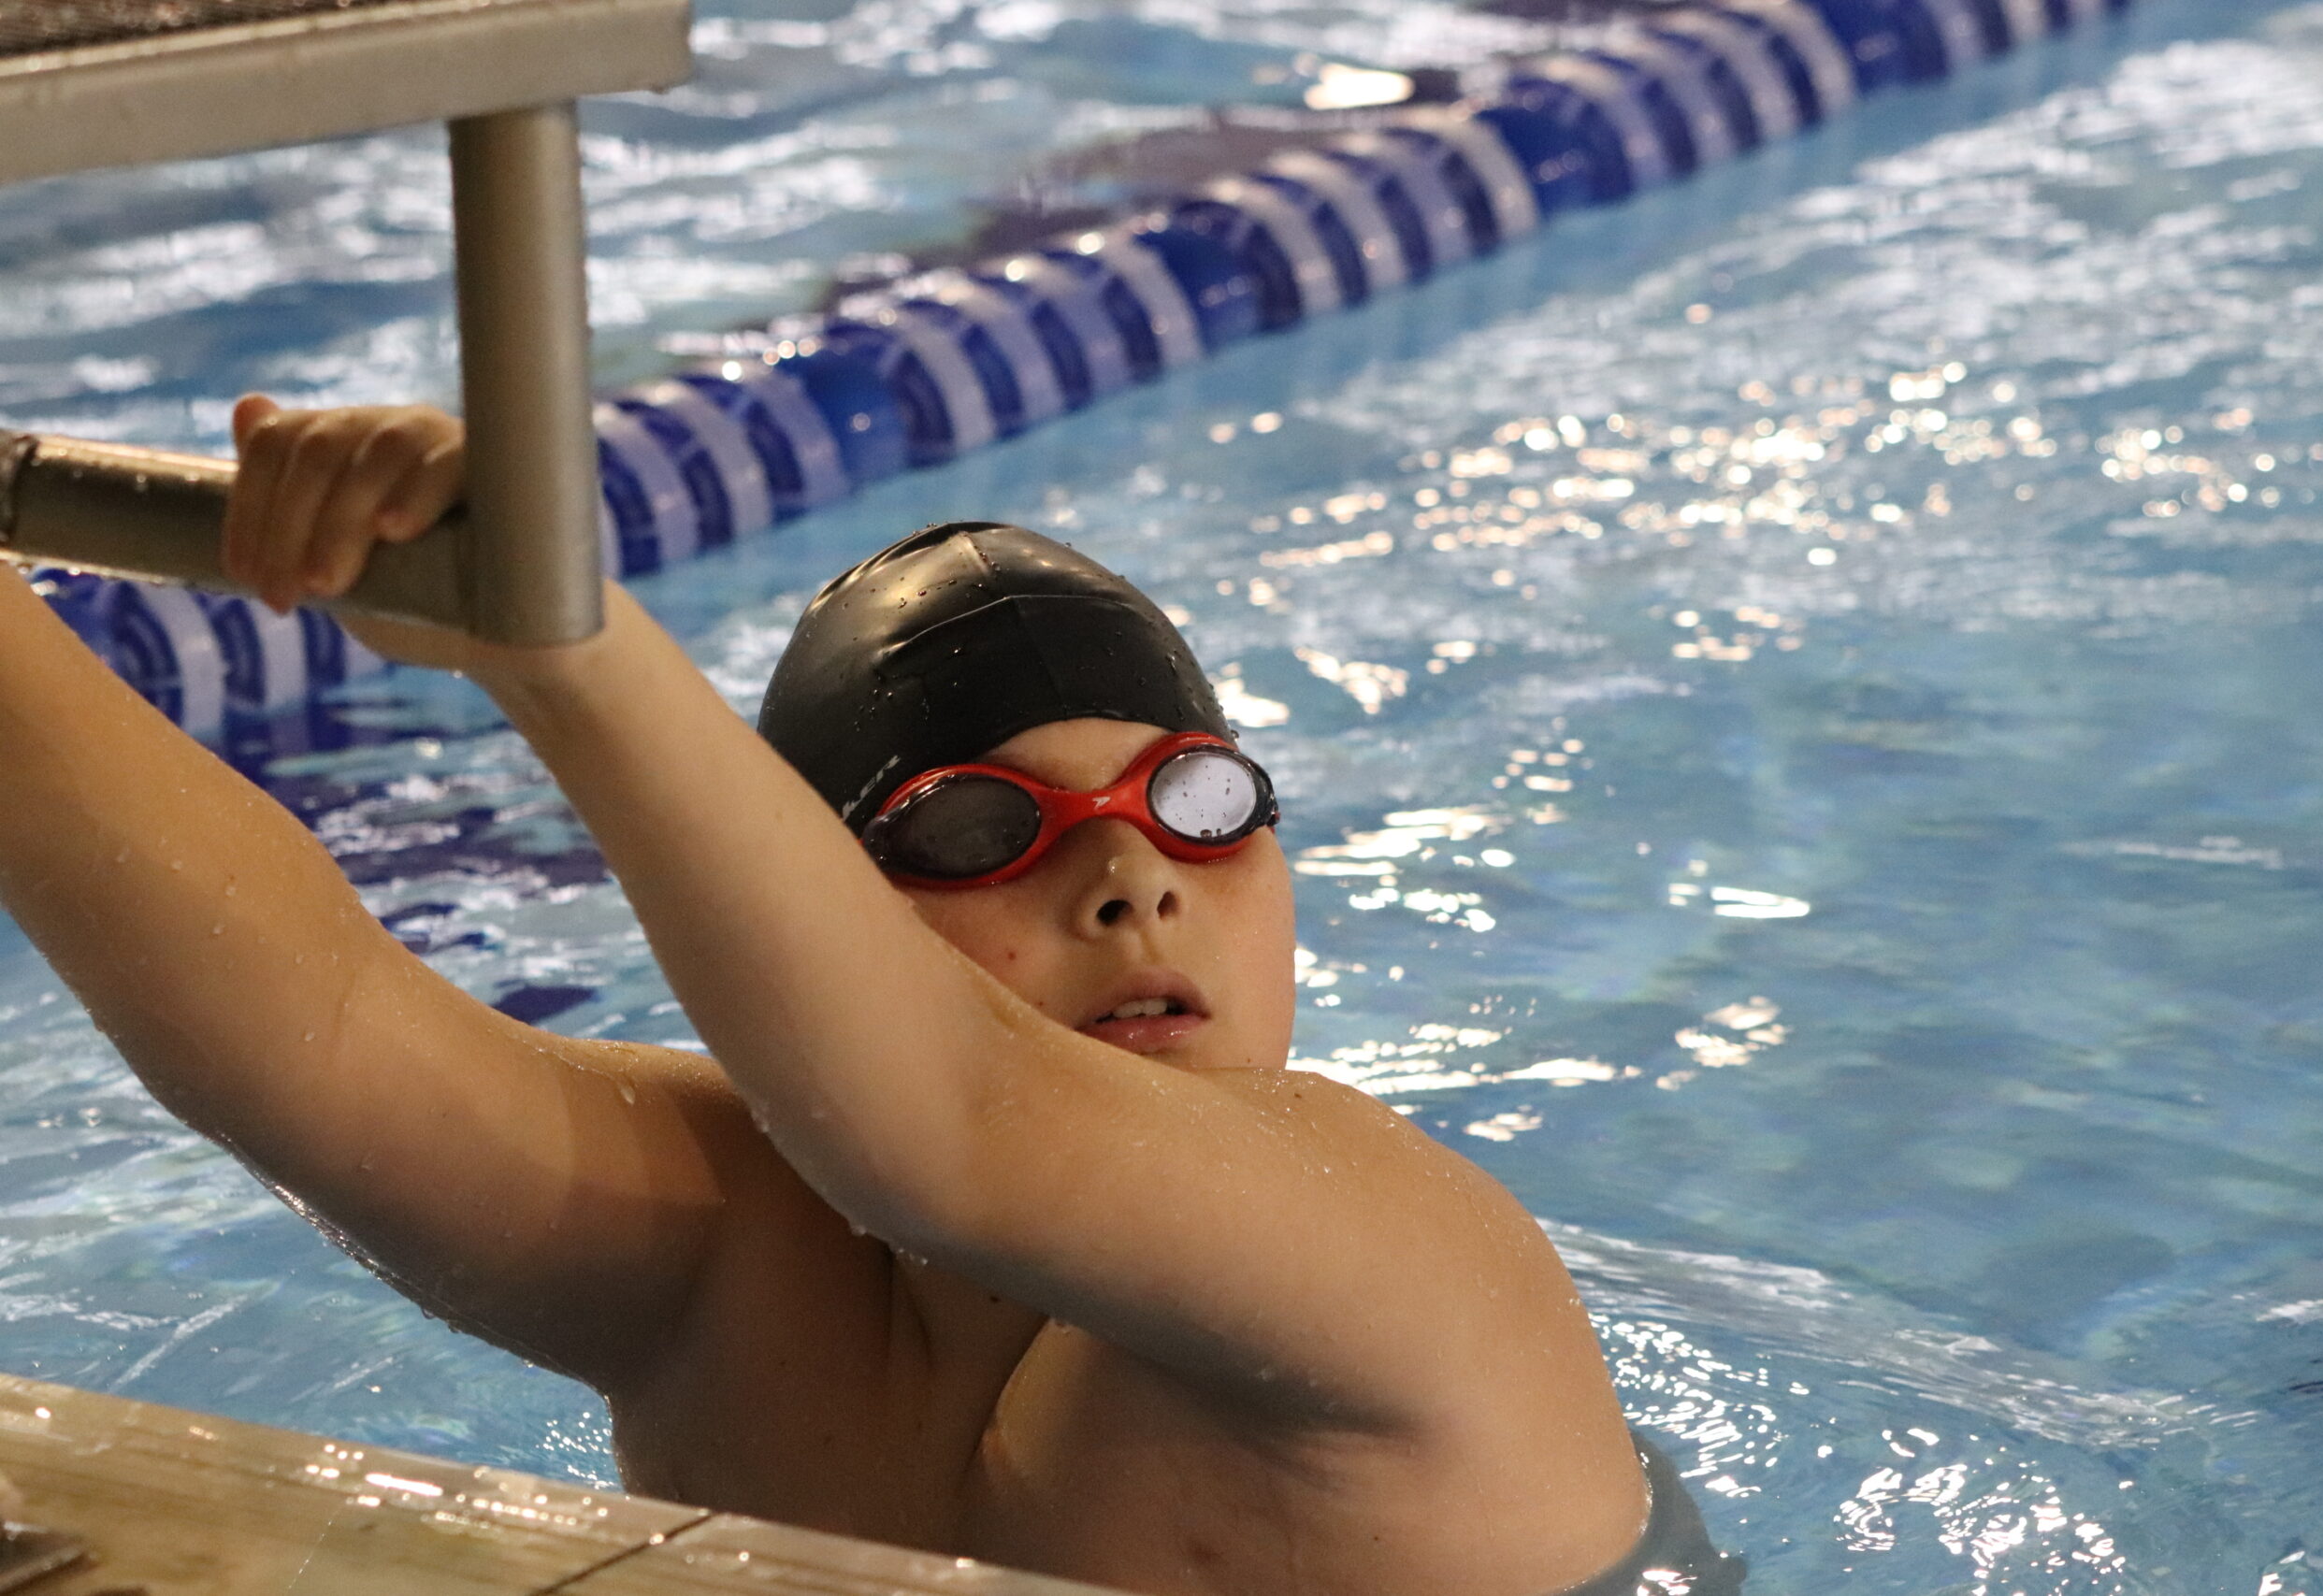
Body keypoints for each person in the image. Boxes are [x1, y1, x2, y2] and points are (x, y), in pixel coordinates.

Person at [0, 396, 1741, 1596]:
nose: (1135, 879)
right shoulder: (735, 1267)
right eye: (982, 831)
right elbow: (307, 1039)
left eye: (1198, 801)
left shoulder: (1406, 1257)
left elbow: (951, 1131)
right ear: (816, 915)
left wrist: (557, 642)